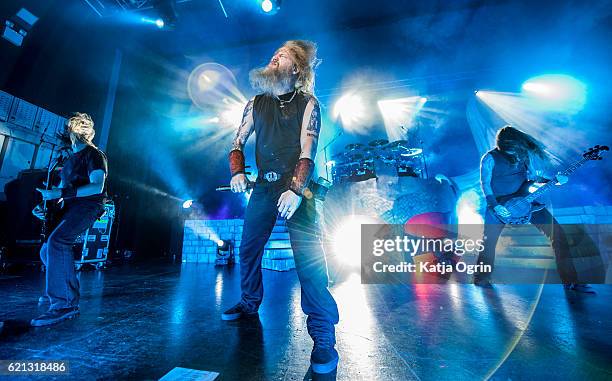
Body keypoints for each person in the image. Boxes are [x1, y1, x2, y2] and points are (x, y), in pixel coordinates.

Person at [224, 40, 340, 374]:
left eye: (284, 56)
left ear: (298, 69)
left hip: (297, 188)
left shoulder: (309, 103)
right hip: (264, 185)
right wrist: (237, 172)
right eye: (274, 54)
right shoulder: (256, 103)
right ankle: (249, 302)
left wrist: (294, 188)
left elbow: (308, 149)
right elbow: (237, 142)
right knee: (248, 249)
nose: (276, 57)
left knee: (309, 259)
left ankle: (322, 334)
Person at [474, 125, 593, 292]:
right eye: (511, 151)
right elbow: (485, 183)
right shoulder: (490, 158)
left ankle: (571, 281)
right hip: (499, 205)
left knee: (558, 234)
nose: (515, 154)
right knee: (489, 242)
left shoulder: (522, 155)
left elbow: (533, 178)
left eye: (517, 150)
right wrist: (495, 205)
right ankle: (481, 278)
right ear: (503, 146)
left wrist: (552, 181)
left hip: (525, 202)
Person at [31, 112, 109, 326]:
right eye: (75, 126)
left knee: (58, 242)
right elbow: (60, 190)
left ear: (87, 132)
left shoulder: (94, 155)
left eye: (82, 126)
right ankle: (63, 285)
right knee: (46, 250)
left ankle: (64, 303)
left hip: (88, 206)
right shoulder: (69, 159)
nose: (77, 130)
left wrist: (59, 194)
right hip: (71, 207)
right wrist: (44, 205)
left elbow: (96, 186)